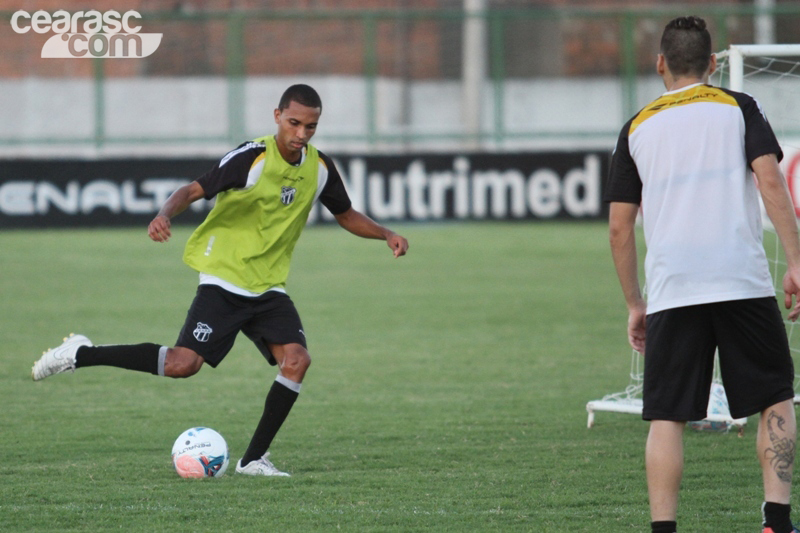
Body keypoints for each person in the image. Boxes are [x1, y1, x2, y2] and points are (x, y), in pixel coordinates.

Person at [31, 84, 409, 477]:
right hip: (224, 279)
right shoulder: (252, 158)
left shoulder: (319, 168)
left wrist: (385, 234)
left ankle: (252, 460)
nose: (301, 134)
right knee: (182, 364)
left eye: (310, 126)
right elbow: (193, 189)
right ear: (277, 115)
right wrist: (164, 214)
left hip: (268, 287)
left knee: (296, 361)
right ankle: (81, 353)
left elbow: (345, 214)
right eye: (294, 123)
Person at [606, 16, 800, 533]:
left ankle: (664, 528)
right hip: (741, 280)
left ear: (660, 64)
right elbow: (770, 181)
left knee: (667, 416)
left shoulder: (637, 126)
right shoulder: (739, 107)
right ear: (714, 65)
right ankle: (776, 521)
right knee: (775, 398)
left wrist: (634, 303)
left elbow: (619, 230)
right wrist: (797, 262)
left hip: (673, 288)